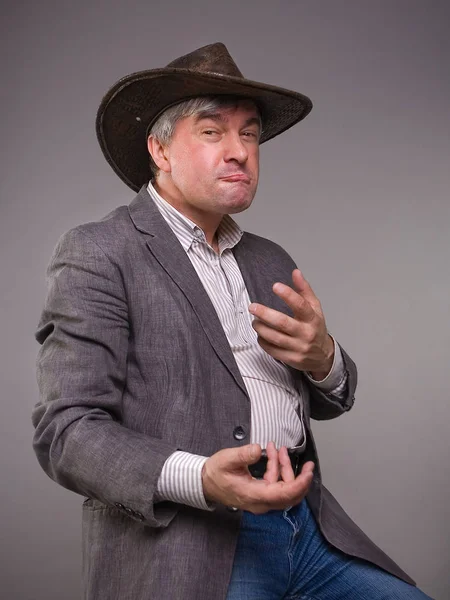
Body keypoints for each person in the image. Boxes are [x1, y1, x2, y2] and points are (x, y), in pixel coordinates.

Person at [33, 43, 432, 600]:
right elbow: (66, 431)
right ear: (160, 149)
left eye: (249, 133)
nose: (241, 151)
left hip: (308, 531)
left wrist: (325, 360)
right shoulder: (100, 252)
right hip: (191, 544)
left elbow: (334, 396)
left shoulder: (268, 257)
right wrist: (199, 479)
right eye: (212, 131)